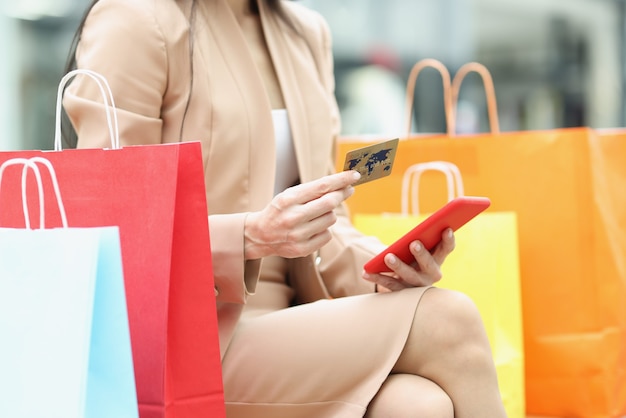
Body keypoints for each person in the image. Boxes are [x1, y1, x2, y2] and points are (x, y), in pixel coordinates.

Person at [63, 0, 508, 416]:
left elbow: (327, 216)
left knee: (417, 406)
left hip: (294, 317)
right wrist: (246, 237)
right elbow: (107, 222)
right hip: (183, 338)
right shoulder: (137, 19)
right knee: (449, 319)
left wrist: (383, 271)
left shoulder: (305, 32)